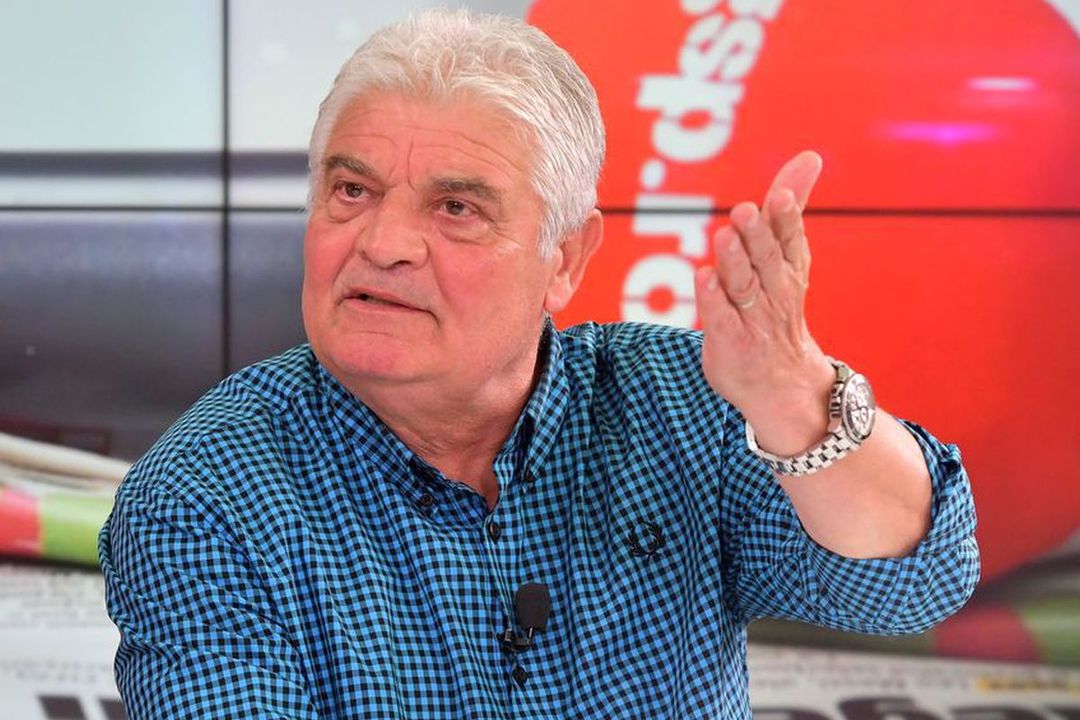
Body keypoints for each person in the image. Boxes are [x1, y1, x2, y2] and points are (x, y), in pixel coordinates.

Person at [99, 8, 979, 719]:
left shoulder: (681, 403)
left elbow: (915, 582)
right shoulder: (204, 498)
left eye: (456, 208)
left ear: (565, 259)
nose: (384, 242)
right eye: (352, 190)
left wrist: (793, 396)